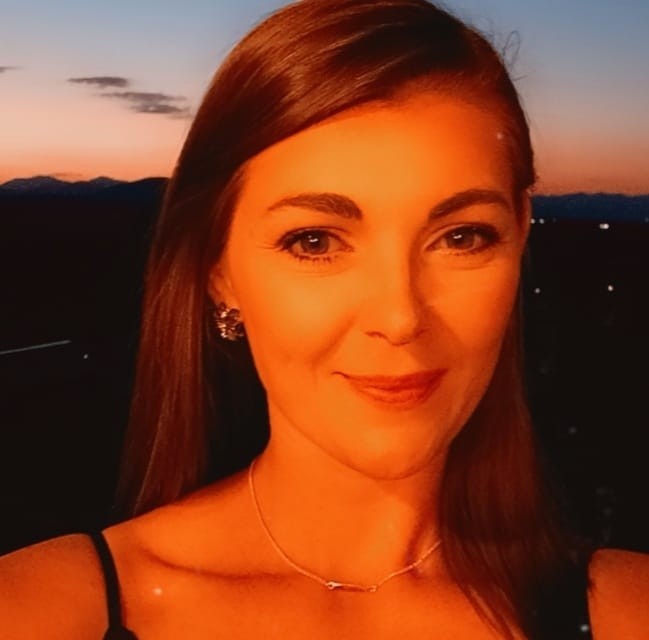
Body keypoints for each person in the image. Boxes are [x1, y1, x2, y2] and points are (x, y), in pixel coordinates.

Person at [1, 0, 648, 638]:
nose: (399, 316)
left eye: (461, 237)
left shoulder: (625, 610)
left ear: (520, 235)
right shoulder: (43, 613)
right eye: (314, 242)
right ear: (217, 270)